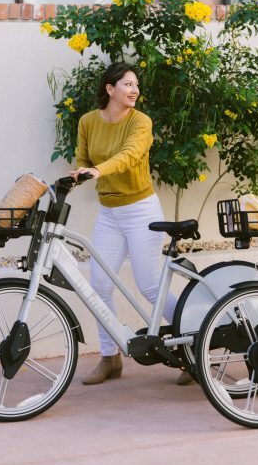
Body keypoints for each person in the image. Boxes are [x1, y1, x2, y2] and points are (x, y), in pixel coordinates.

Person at [73, 61, 187, 386]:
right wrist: (81, 172)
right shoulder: (88, 122)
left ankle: (194, 343)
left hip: (141, 210)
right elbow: (83, 157)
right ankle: (111, 357)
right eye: (128, 84)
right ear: (110, 89)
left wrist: (98, 171)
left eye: (136, 85)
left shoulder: (141, 122)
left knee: (149, 285)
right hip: (109, 212)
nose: (135, 90)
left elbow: (128, 155)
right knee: (99, 285)